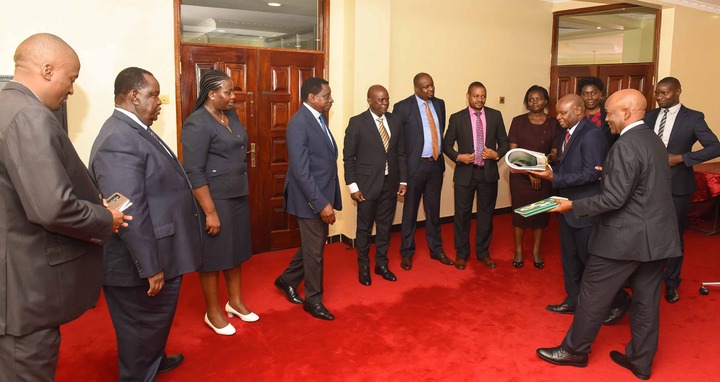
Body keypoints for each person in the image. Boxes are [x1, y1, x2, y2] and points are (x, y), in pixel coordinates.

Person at [0, 33, 126, 382]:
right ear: (47, 69)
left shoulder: (5, 105)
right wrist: (105, 217)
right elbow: (52, 208)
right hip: (25, 291)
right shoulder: (29, 116)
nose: (71, 90)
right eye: (71, 79)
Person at [536, 89, 682, 380]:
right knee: (646, 301)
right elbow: (643, 182)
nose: (606, 118)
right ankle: (640, 361)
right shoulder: (652, 139)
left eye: (610, 113)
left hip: (624, 238)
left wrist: (572, 205)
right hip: (657, 238)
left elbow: (614, 200)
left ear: (626, 113)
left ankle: (574, 350)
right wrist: (610, 173)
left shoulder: (625, 145)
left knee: (591, 294)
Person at [89, 67, 202, 381]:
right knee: (141, 328)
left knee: (154, 324)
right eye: (154, 95)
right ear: (134, 96)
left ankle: (154, 358)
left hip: (158, 247)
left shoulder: (135, 129)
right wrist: (151, 266)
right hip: (138, 261)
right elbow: (128, 211)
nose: (159, 101)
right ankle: (141, 371)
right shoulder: (118, 139)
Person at [529, 94, 630, 325]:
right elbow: (572, 165)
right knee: (570, 258)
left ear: (577, 110)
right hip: (567, 207)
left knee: (590, 261)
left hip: (584, 209)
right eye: (558, 113)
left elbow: (593, 173)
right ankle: (574, 299)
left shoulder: (592, 134)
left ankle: (619, 300)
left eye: (563, 113)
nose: (559, 117)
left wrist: (556, 177)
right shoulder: (568, 133)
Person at [181, 70, 258, 336]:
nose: (233, 96)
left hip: (237, 195)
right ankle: (212, 312)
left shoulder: (230, 115)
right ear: (212, 94)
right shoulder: (197, 123)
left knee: (235, 251)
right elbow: (193, 171)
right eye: (228, 92)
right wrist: (210, 212)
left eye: (233, 91)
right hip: (214, 200)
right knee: (213, 258)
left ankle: (235, 303)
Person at [644, 77, 720, 304]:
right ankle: (646, 277)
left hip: (677, 186)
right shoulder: (649, 116)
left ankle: (671, 282)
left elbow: (715, 147)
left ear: (677, 91)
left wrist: (681, 158)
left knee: (674, 236)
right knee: (646, 231)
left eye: (665, 93)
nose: (660, 97)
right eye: (657, 93)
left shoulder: (693, 118)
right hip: (647, 184)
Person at [274, 77, 342, 321]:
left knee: (313, 245)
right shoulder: (299, 123)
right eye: (326, 95)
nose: (331, 99)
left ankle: (287, 279)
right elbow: (301, 171)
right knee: (315, 253)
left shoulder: (318, 118)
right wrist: (321, 203)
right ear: (312, 98)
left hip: (320, 193)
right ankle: (313, 301)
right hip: (309, 198)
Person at [343, 85, 407, 286]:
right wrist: (353, 186)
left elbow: (401, 153)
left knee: (385, 227)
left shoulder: (395, 121)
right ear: (369, 101)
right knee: (364, 228)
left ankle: (381, 264)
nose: (385, 104)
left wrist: (403, 180)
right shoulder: (357, 123)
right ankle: (364, 266)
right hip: (367, 185)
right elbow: (348, 158)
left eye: (386, 99)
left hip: (390, 183)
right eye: (380, 100)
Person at [442, 81, 509, 270]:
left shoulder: (495, 116)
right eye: (476, 96)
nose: (480, 99)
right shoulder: (457, 118)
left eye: (483, 96)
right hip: (465, 174)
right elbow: (446, 145)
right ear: (468, 96)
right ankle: (462, 253)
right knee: (462, 215)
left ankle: (483, 252)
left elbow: (504, 142)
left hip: (488, 174)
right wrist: (458, 157)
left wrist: (497, 154)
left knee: (486, 215)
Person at [393, 72, 454, 270]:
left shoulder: (440, 104)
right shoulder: (402, 107)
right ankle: (407, 252)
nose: (431, 89)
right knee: (410, 212)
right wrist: (402, 175)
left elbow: (440, 132)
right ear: (416, 88)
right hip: (415, 167)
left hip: (435, 165)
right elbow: (399, 144)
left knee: (433, 210)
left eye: (432, 85)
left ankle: (436, 249)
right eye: (426, 87)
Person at [507, 85, 560, 269]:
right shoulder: (517, 121)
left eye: (538, 98)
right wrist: (530, 172)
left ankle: (537, 251)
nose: (534, 102)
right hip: (520, 177)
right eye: (531, 99)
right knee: (520, 214)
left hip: (544, 175)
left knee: (540, 214)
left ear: (545, 101)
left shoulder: (553, 123)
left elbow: (554, 152)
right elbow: (513, 153)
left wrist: (540, 168)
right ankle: (519, 250)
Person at [577, 76, 615, 145]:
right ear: (580, 95)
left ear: (600, 93)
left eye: (594, 93)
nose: (589, 97)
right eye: (585, 94)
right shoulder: (576, 113)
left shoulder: (610, 113)